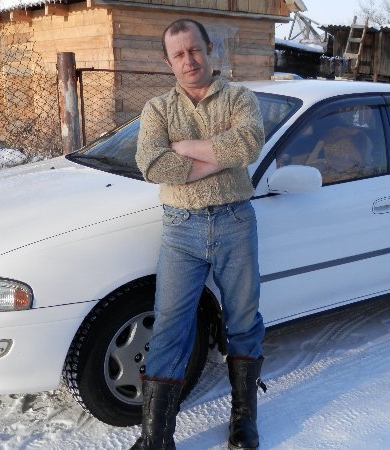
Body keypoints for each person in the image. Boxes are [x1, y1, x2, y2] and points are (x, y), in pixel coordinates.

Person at [132, 18, 266, 450]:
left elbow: (248, 144)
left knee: (242, 318)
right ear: (168, 62)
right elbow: (152, 164)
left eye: (194, 50)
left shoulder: (239, 98)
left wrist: (185, 149)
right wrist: (220, 156)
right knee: (170, 326)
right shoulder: (157, 109)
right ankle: (156, 438)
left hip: (235, 222)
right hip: (181, 229)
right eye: (178, 54)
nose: (188, 60)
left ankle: (243, 420)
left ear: (209, 50)